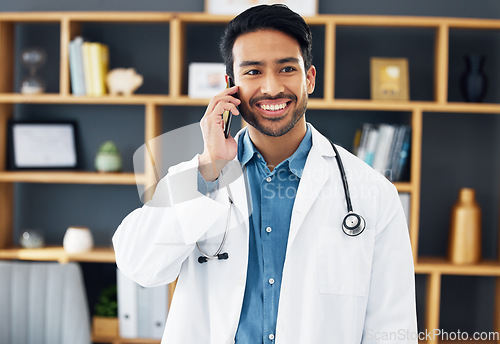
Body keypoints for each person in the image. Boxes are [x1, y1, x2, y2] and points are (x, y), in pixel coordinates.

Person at [113, 4, 417, 344]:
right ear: (230, 86)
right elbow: (138, 265)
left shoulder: (371, 193)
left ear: (309, 78)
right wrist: (209, 168)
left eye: (287, 68)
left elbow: (393, 327)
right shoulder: (202, 176)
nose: (272, 88)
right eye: (253, 72)